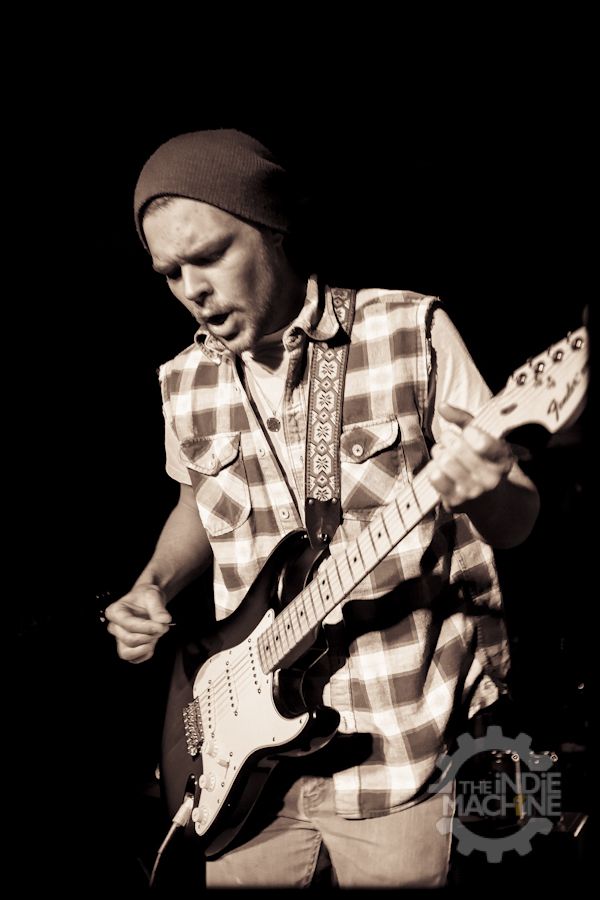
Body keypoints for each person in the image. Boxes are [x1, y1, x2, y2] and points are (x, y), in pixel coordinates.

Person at [105, 129, 540, 889]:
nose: (192, 290)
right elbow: (197, 502)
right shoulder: (184, 380)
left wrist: (489, 490)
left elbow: (519, 520)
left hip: (400, 750)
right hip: (243, 766)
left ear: (273, 226)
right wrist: (153, 584)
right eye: (170, 273)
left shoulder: (409, 331)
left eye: (209, 255)